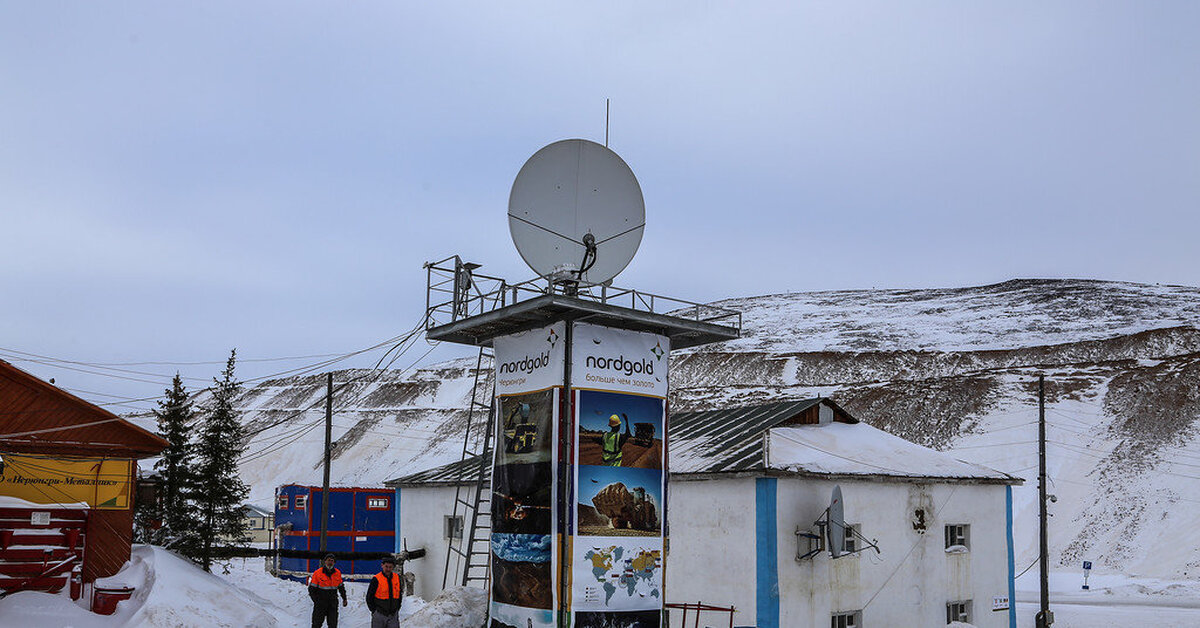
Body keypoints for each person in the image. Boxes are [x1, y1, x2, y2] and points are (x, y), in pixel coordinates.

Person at [308, 553, 347, 628]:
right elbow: (311, 589)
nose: (330, 562)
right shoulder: (318, 573)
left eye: (332, 561)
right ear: (325, 561)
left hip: (332, 604)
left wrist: (344, 598)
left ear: (334, 563)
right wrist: (316, 601)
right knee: (316, 624)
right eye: (328, 560)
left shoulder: (337, 573)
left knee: (333, 625)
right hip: (320, 604)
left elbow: (341, 587)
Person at [366, 555, 404, 628]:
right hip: (379, 614)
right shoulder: (376, 579)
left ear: (393, 567)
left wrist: (397, 608)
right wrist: (374, 611)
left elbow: (399, 594)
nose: (388, 569)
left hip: (393, 615)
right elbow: (369, 597)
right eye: (386, 566)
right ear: (382, 565)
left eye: (390, 567)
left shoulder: (397, 578)